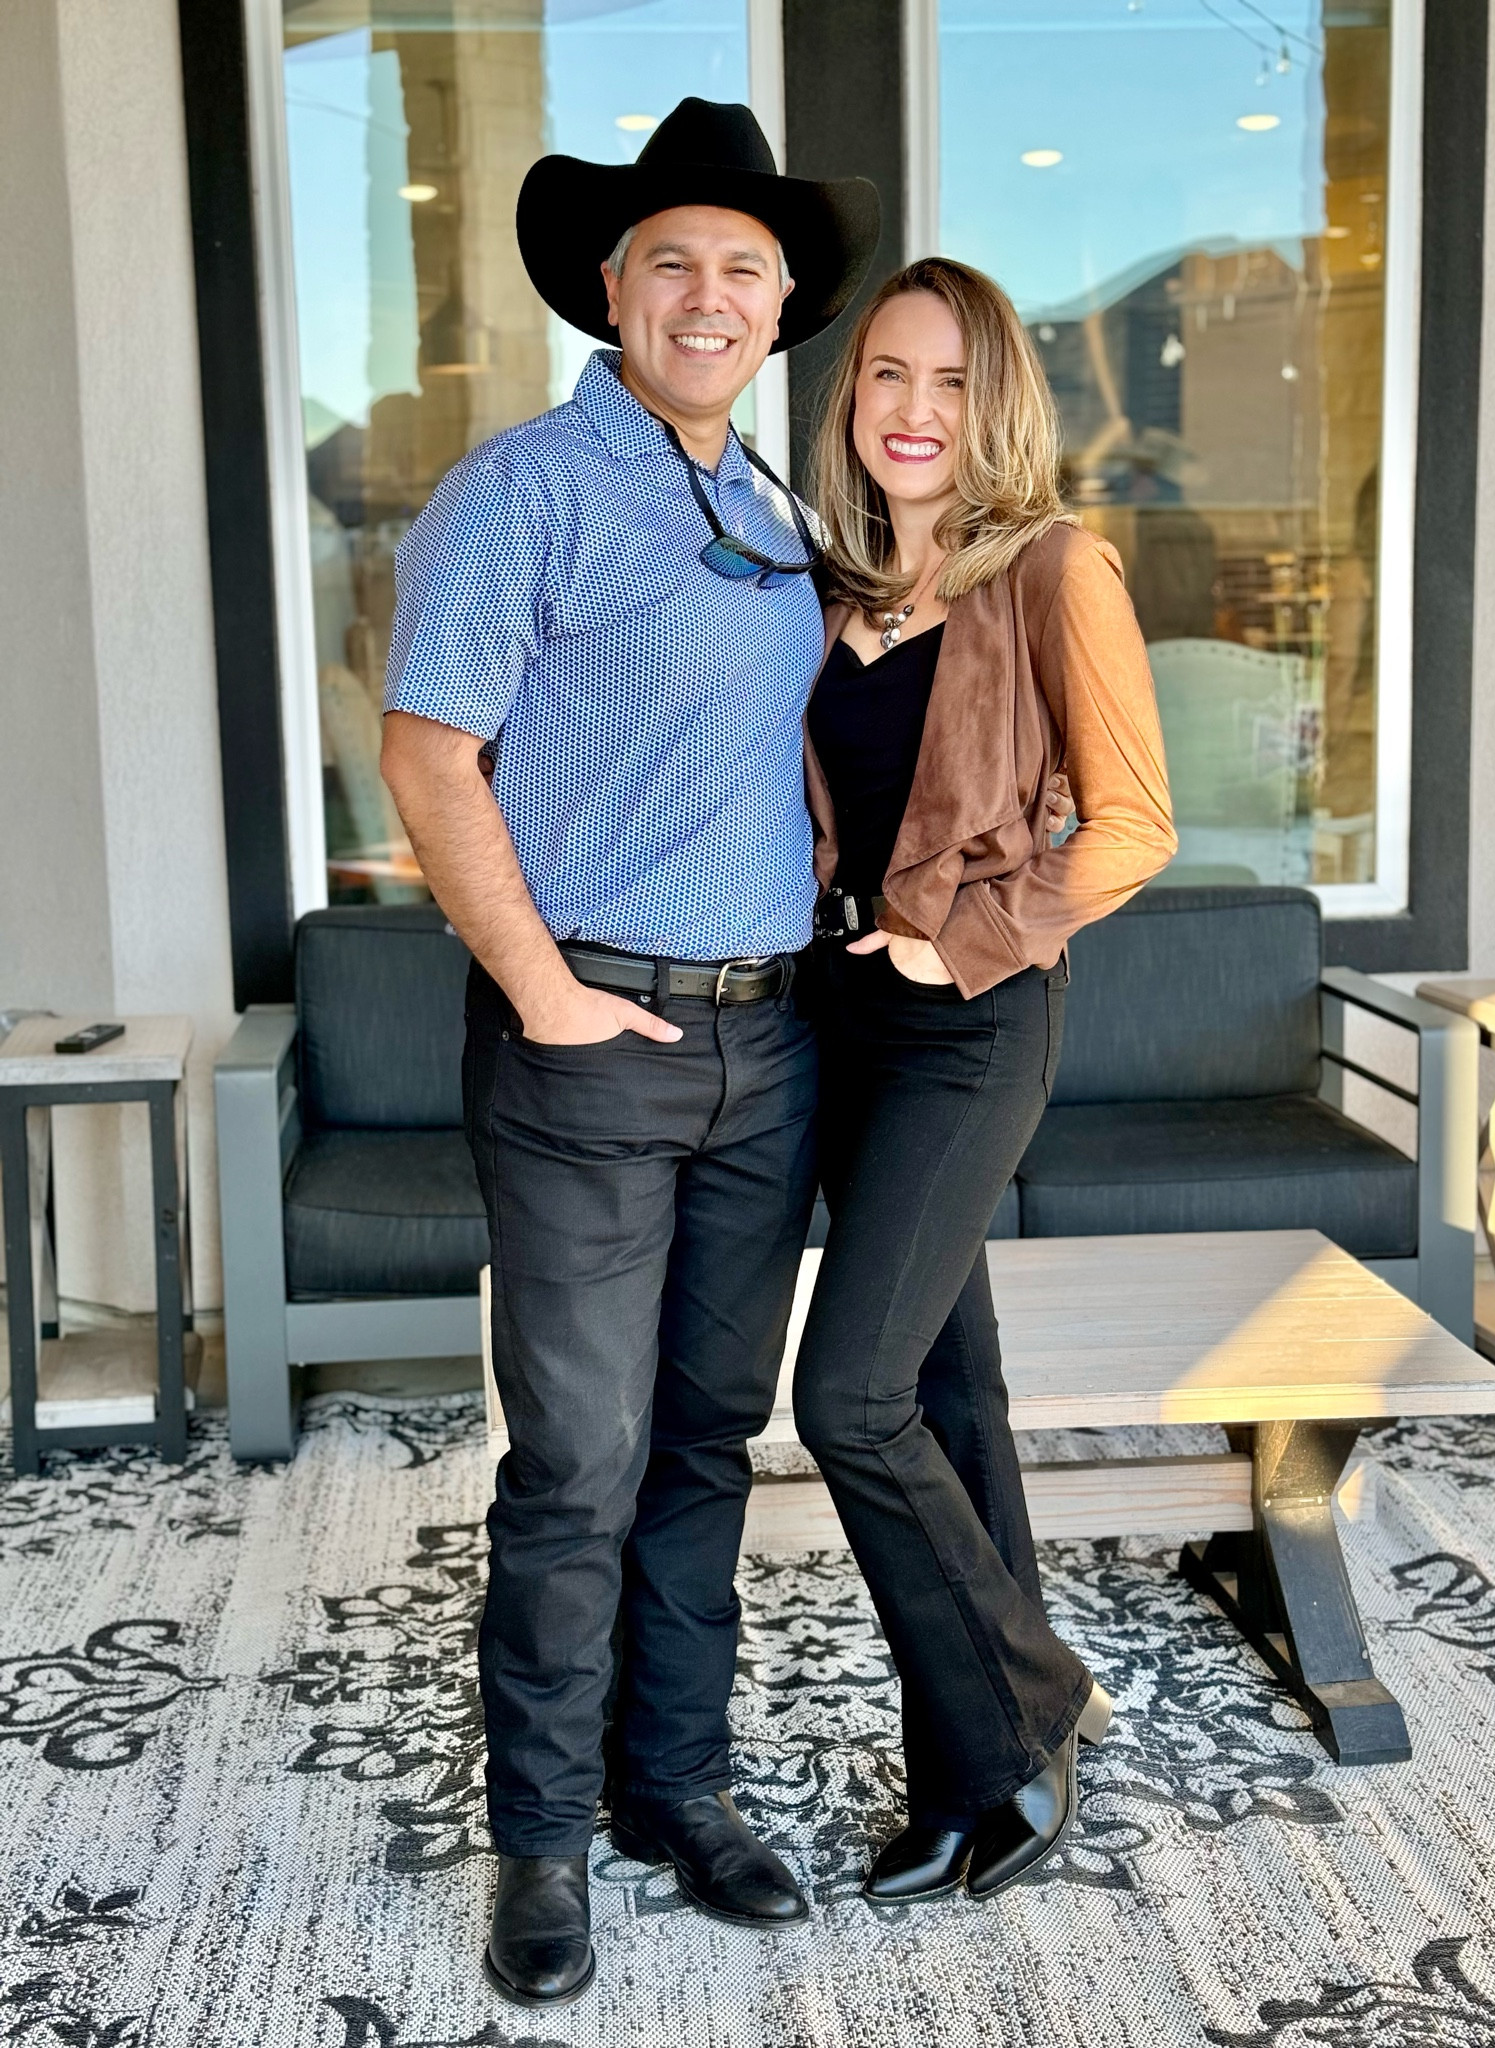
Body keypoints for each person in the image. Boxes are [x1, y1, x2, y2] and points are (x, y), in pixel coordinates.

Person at [378, 100, 880, 2008]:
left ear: (776, 315)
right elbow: (433, 755)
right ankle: (542, 1840)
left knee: (703, 1448)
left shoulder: (768, 509)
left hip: (771, 1045)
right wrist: (545, 990)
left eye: (745, 269)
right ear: (610, 286)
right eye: (674, 257)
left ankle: (675, 1784)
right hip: (590, 1040)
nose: (710, 292)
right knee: (576, 1464)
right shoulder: (520, 491)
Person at [792, 256, 1177, 1903]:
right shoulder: (821, 582)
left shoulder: (1053, 570)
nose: (914, 411)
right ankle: (977, 1772)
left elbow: (1140, 826)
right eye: (887, 375)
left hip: (969, 1025)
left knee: (846, 1399)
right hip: (830, 1028)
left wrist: (979, 936)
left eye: (949, 382)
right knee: (950, 1399)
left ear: (996, 399)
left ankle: (1034, 1705)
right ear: (851, 392)